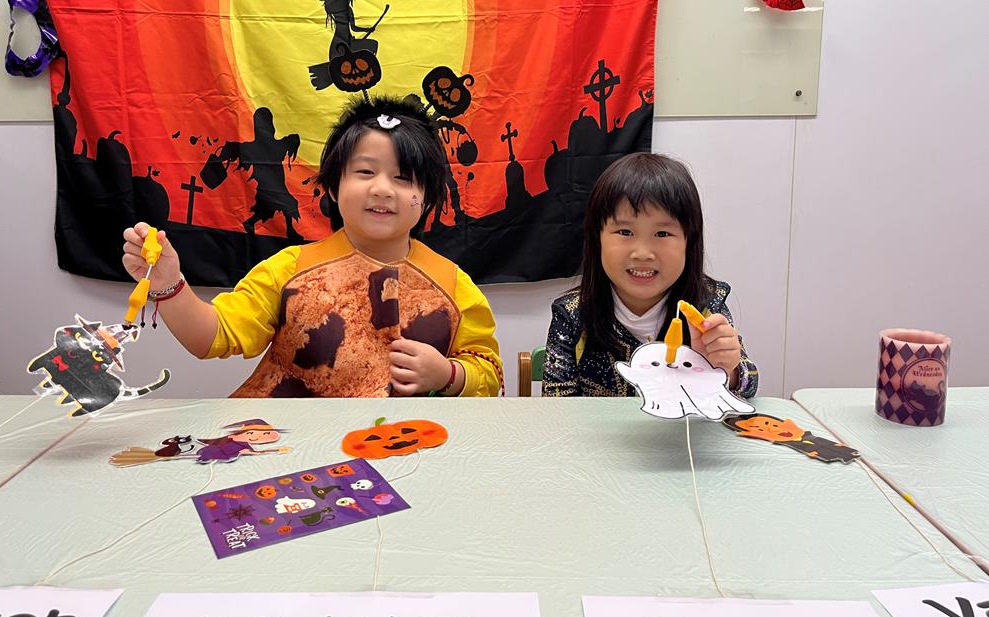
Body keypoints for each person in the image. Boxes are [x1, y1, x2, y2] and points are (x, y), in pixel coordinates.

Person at [122, 96, 502, 398]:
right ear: (334, 187)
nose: (382, 188)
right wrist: (168, 284)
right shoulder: (289, 269)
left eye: (403, 178)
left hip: (401, 449)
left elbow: (489, 374)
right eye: (365, 171)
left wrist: (448, 375)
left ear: (428, 197)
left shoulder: (453, 285)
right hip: (285, 452)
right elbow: (211, 337)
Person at [542, 152, 758, 398]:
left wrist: (727, 369)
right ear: (596, 239)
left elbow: (748, 382)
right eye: (625, 232)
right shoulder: (573, 314)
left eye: (662, 234)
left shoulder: (705, 305)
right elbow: (555, 401)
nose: (642, 253)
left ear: (689, 242)